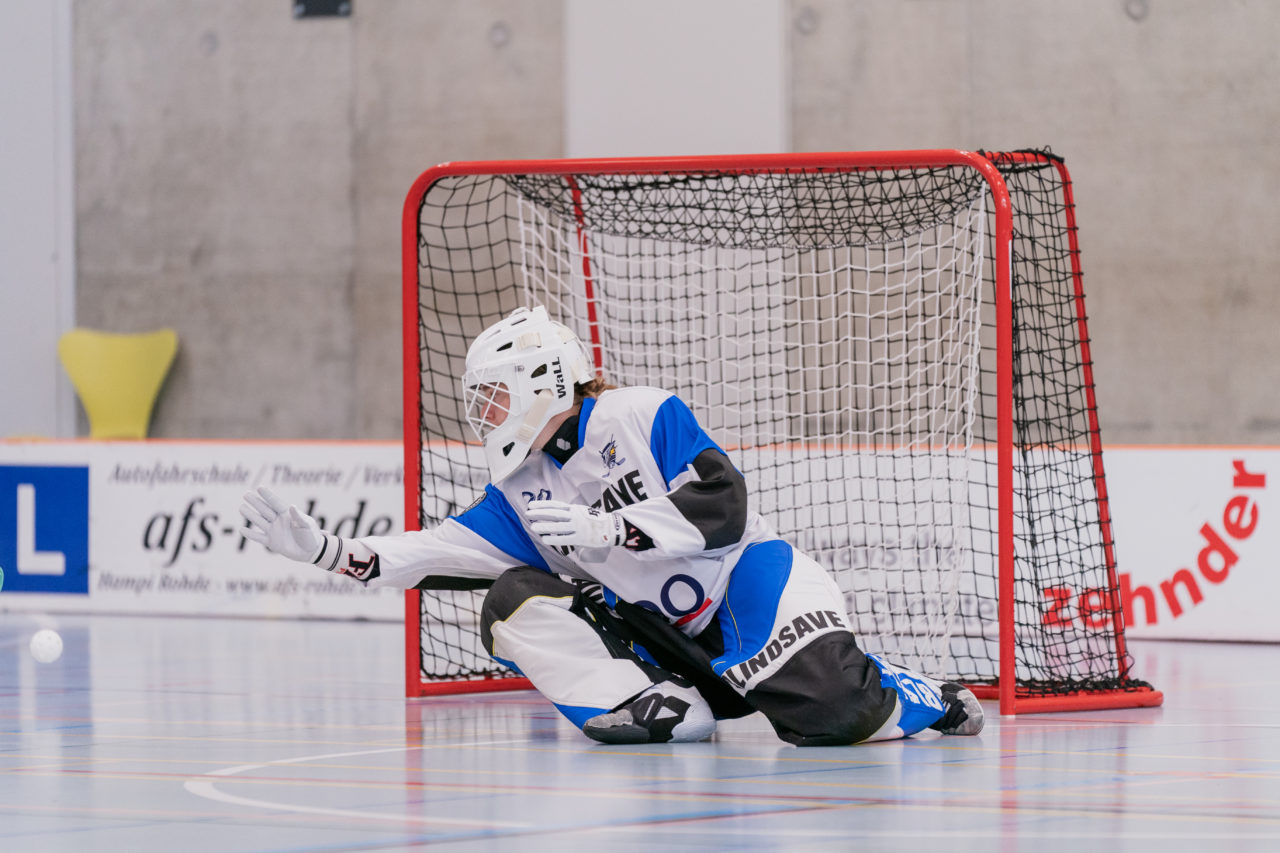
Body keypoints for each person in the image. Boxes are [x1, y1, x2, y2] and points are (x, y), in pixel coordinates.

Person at [239, 305, 983, 746]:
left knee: (836, 716)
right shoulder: (519, 487)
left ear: (540, 381)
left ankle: (917, 692)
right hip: (668, 642)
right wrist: (335, 552)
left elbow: (723, 507)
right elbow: (441, 551)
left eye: (495, 399)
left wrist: (613, 530)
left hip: (746, 587)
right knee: (511, 599)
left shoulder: (642, 413)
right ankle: (658, 709)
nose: (487, 418)